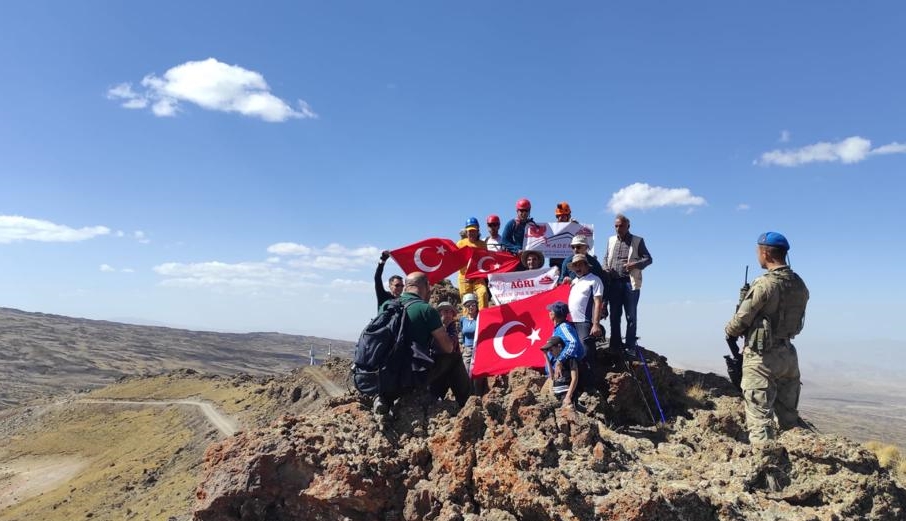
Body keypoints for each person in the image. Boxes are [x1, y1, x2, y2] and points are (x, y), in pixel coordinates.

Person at [725, 232, 809, 444]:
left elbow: (741, 319)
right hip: (788, 356)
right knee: (789, 419)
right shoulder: (799, 283)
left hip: (762, 358)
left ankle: (767, 470)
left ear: (765, 253)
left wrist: (729, 331)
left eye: (758, 252)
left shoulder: (765, 284)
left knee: (760, 422)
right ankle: (794, 459)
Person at [375, 272, 471, 414]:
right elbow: (448, 347)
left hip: (386, 376)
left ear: (406, 286)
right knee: (453, 358)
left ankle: (384, 397)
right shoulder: (426, 310)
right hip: (412, 378)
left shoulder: (387, 305)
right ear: (426, 286)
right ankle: (467, 404)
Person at [603, 214, 653, 353]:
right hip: (614, 283)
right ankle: (615, 344)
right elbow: (606, 258)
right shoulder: (611, 240)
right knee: (614, 315)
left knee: (631, 316)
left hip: (630, 283)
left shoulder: (637, 240)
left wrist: (634, 264)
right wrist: (605, 268)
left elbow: (648, 259)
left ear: (628, 226)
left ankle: (630, 346)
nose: (618, 228)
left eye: (621, 226)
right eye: (616, 226)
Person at [567, 254, 605, 366]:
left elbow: (598, 303)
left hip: (585, 322)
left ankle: (591, 380)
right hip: (570, 322)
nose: (577, 267)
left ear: (587, 266)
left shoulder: (595, 280)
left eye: (580, 264)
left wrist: (596, 324)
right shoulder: (573, 281)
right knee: (572, 351)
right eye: (575, 265)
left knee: (586, 351)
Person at [456, 217, 490, 309]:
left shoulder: (482, 245)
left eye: (474, 231)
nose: (471, 233)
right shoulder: (460, 244)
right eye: (469, 231)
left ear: (478, 231)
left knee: (483, 293)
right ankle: (468, 322)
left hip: (478, 277)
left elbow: (486, 261)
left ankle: (484, 319)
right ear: (466, 232)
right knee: (467, 302)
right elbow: (455, 261)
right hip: (464, 278)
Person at [541, 336, 580, 408]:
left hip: (566, 394)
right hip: (556, 395)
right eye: (549, 351)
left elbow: (575, 378)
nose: (550, 353)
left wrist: (568, 396)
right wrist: (545, 355)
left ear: (559, 346)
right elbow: (551, 376)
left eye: (551, 350)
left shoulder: (570, 359)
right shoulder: (557, 361)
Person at [549, 201, 575, 268]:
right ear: (557, 217)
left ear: (568, 216)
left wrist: (575, 227)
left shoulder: (574, 227)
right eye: (559, 216)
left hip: (571, 263)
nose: (561, 218)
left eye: (564, 216)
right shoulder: (551, 230)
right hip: (555, 264)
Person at [459, 293, 479, 372]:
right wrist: (463, 346)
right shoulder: (463, 319)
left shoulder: (481, 318)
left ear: (476, 305)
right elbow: (462, 334)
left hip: (478, 350)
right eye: (468, 305)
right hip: (467, 351)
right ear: (465, 307)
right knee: (466, 373)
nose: (470, 307)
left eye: (473, 304)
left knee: (477, 376)